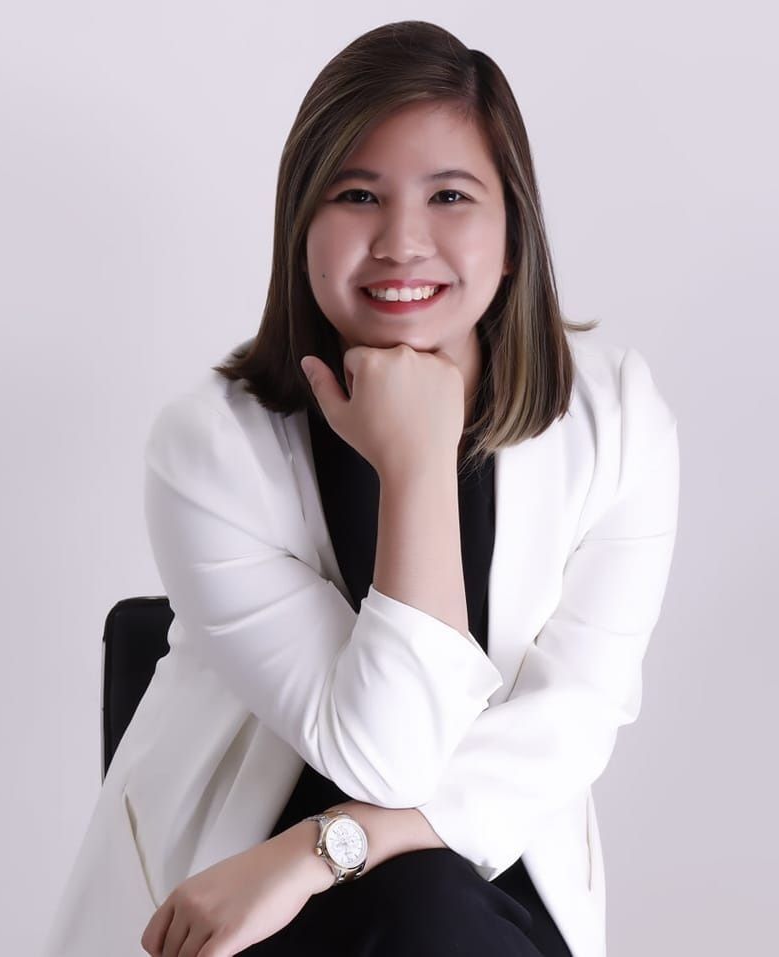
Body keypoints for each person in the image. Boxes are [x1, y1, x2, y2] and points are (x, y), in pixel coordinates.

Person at [42, 19, 680, 957]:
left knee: (428, 903)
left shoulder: (616, 418)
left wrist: (320, 852)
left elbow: (567, 729)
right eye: (357, 195)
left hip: (477, 866)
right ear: (302, 227)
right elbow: (392, 753)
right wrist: (419, 462)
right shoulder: (210, 447)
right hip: (237, 874)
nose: (401, 241)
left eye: (451, 195)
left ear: (513, 238)